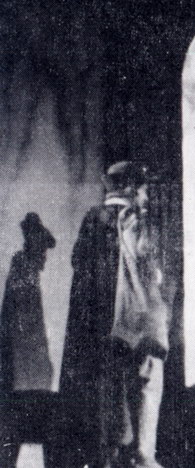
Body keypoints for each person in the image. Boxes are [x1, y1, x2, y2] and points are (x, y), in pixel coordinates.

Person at [56, 161, 169, 468]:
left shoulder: (92, 219)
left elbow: (80, 266)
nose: (146, 196)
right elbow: (151, 274)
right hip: (140, 323)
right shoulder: (136, 219)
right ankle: (142, 457)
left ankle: (112, 457)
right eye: (143, 189)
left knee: (110, 391)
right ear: (131, 189)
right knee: (147, 385)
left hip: (103, 328)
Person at [0, 213, 56, 466]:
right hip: (21, 374)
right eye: (42, 250)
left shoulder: (25, 270)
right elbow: (23, 327)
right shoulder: (24, 272)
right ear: (33, 244)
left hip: (25, 374)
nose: (45, 256)